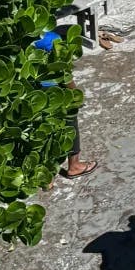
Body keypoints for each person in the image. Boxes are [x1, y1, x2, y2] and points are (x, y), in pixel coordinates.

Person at [35, 30, 98, 178]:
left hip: (32, 90)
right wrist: (74, 93)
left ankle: (46, 178)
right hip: (53, 88)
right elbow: (64, 72)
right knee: (70, 120)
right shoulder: (52, 39)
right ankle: (74, 165)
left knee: (41, 128)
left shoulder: (22, 39)